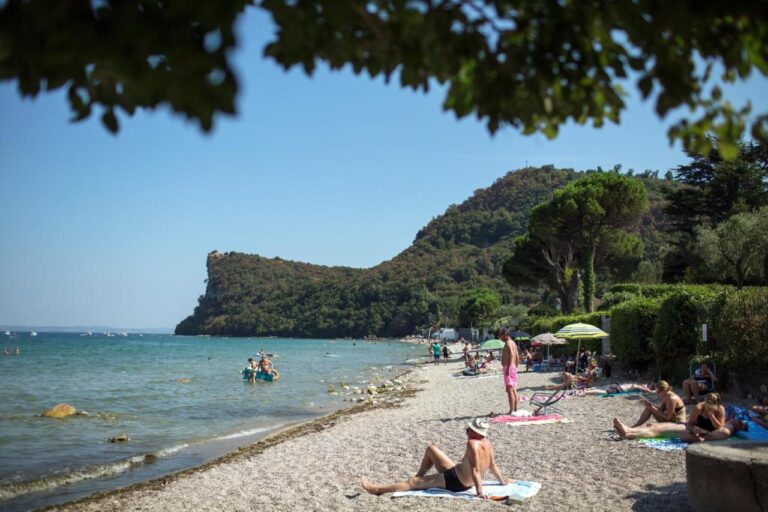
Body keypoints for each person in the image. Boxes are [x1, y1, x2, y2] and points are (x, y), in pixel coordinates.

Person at [361, 418, 508, 498]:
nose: (467, 431)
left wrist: (479, 492)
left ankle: (378, 489)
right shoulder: (486, 443)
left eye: (468, 429)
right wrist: (502, 482)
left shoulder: (472, 443)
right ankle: (419, 476)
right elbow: (492, 465)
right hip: (458, 474)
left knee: (412, 482)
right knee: (431, 449)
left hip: (456, 481)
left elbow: (476, 470)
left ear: (475, 432)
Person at [611, 381, 687, 439]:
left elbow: (667, 416)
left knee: (651, 425)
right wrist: (650, 405)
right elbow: (661, 410)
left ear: (663, 390)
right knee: (649, 408)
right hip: (671, 420)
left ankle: (631, 430)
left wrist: (652, 407)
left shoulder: (671, 398)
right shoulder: (666, 396)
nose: (657, 394)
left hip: (677, 423)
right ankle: (633, 427)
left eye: (658, 392)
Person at [500, 328, 519, 414]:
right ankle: (515, 409)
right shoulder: (514, 343)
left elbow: (511, 354)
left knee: (509, 389)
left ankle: (511, 410)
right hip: (513, 367)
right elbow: (517, 356)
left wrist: (508, 368)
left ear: (505, 335)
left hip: (509, 367)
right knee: (514, 388)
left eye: (501, 335)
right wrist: (515, 366)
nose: (500, 337)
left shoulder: (508, 343)